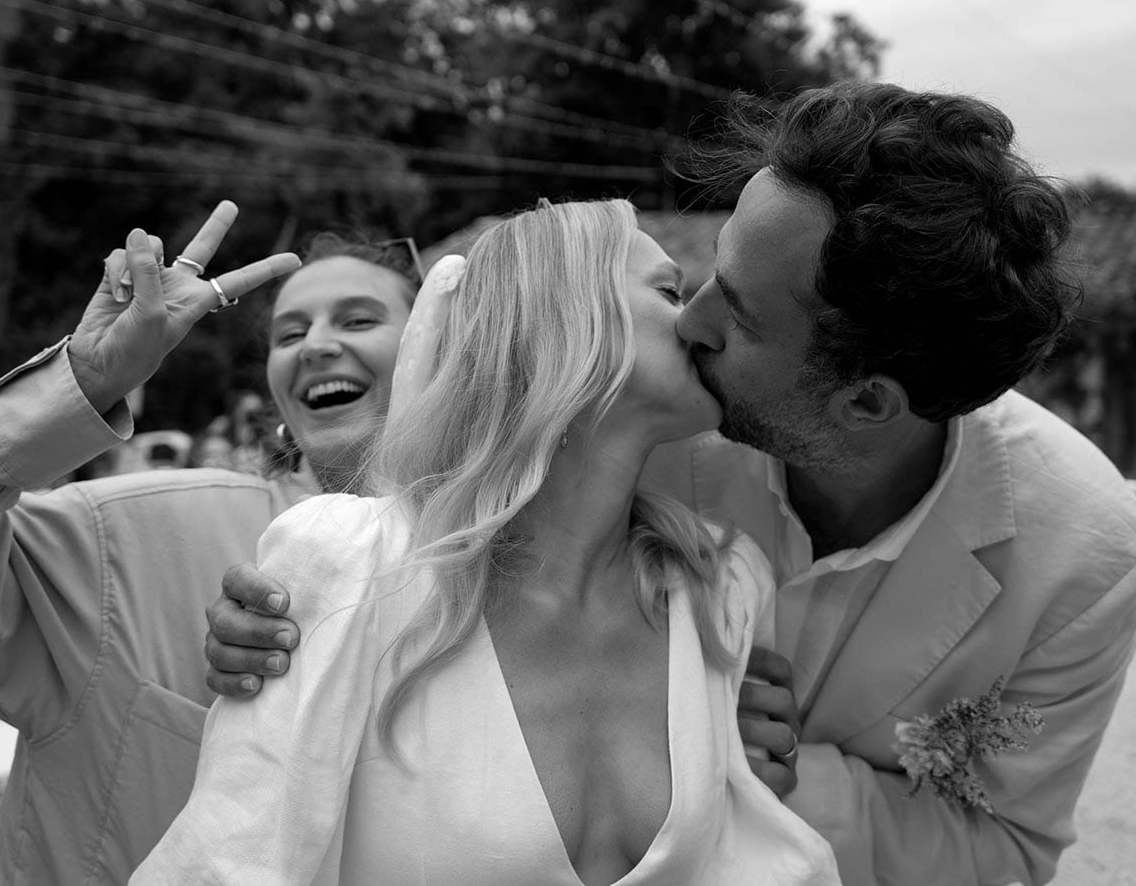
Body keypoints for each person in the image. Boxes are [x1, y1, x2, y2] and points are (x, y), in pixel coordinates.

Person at [207, 82, 1136, 886]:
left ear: (866, 402)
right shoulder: (647, 412)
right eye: (694, 276)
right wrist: (303, 615)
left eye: (736, 312)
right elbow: (458, 448)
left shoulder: (1087, 552)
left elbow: (1003, 850)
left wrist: (747, 768)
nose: (692, 321)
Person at [134, 199, 839, 884]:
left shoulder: (721, 586)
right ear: (564, 314)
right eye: (667, 288)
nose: (697, 317)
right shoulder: (353, 563)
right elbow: (233, 859)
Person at [0, 202, 420, 884]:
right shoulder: (133, 539)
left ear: (437, 351)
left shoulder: (513, 575)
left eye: (358, 319)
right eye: (288, 332)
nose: (316, 344)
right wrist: (81, 383)